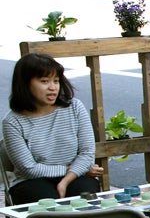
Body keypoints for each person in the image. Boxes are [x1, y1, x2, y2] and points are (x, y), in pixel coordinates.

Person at [3, 53, 103, 204]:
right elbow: (29, 169)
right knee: (47, 201)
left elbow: (87, 154)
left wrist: (66, 179)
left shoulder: (74, 107)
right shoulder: (12, 121)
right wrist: (70, 168)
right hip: (31, 181)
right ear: (25, 83)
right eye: (44, 81)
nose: (52, 87)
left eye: (56, 81)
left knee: (85, 193)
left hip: (76, 176)